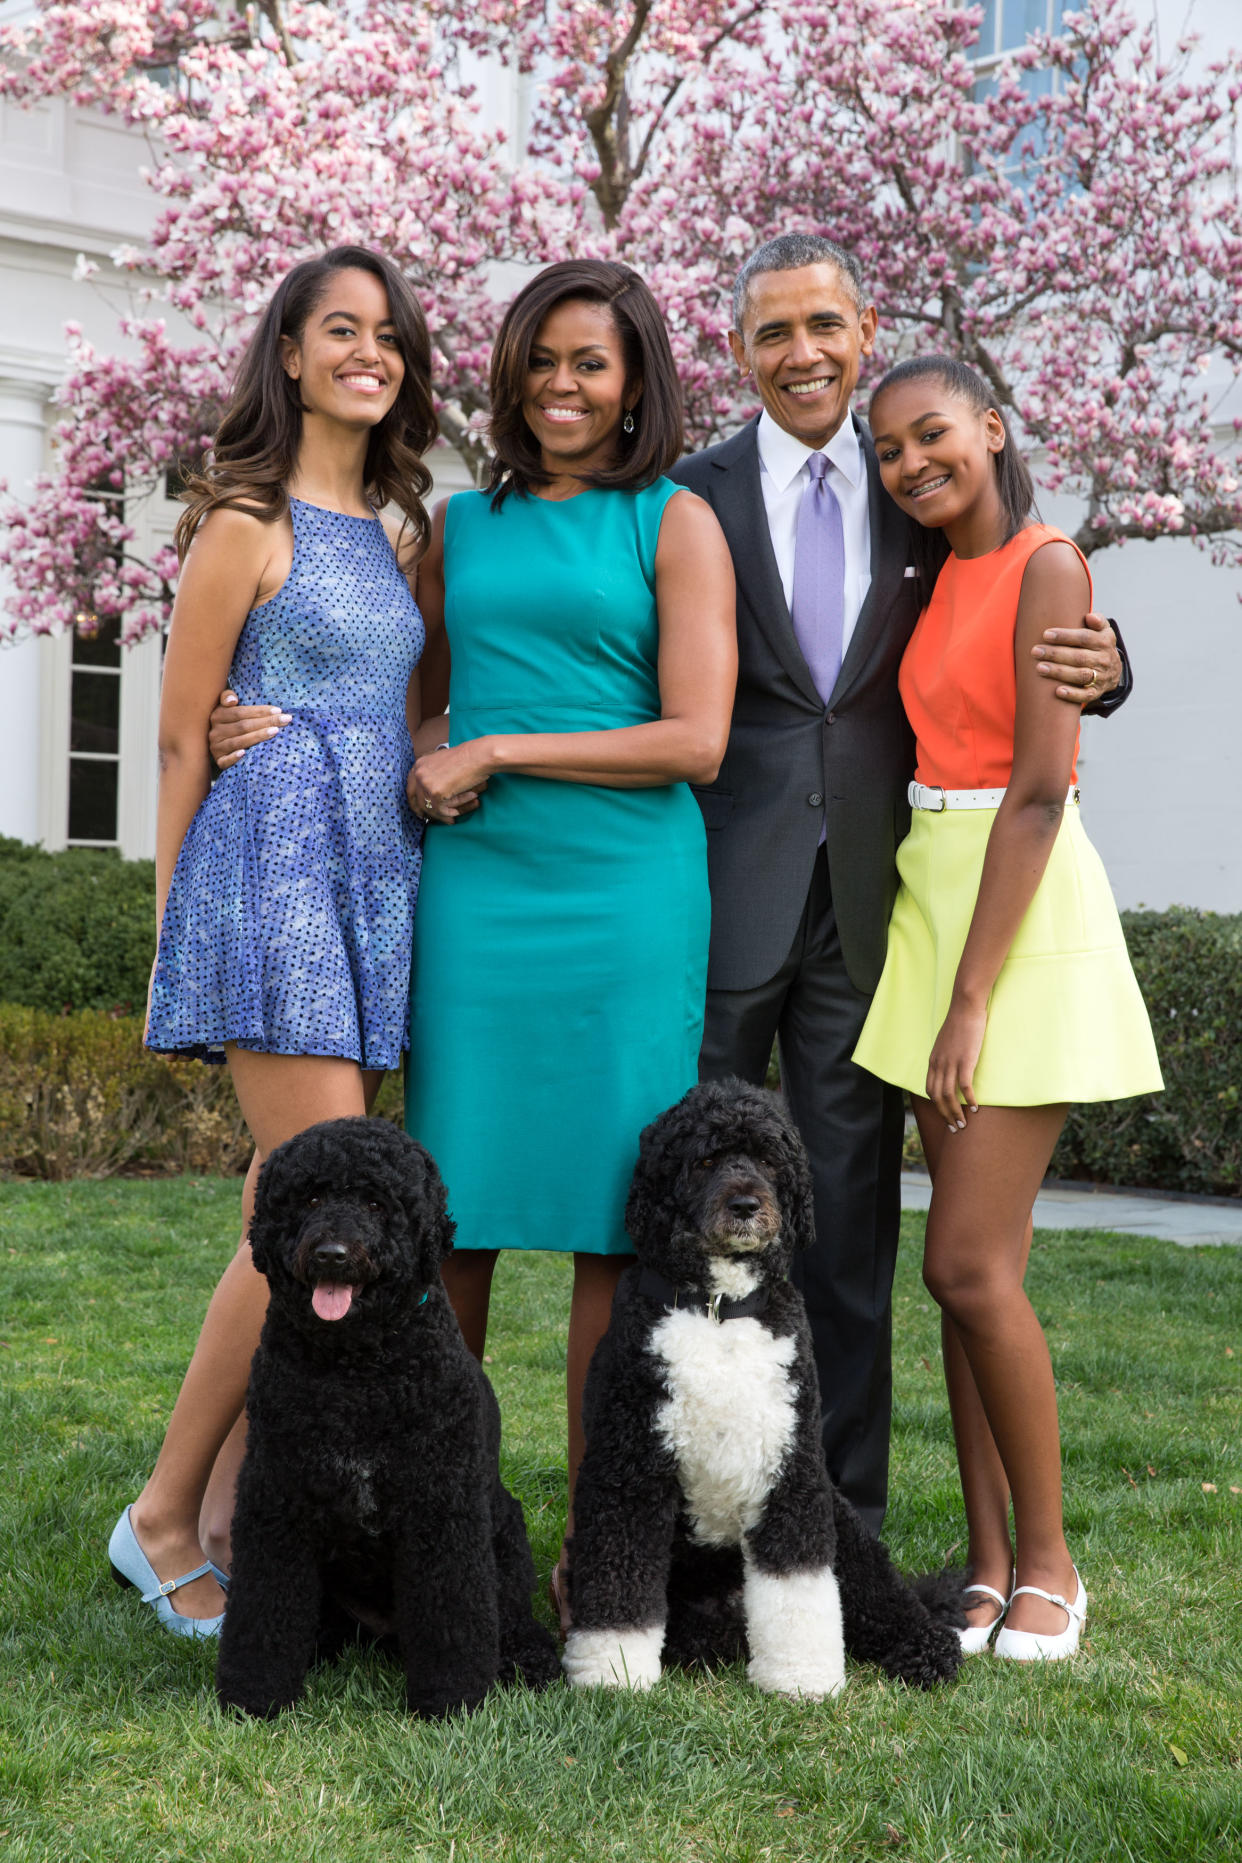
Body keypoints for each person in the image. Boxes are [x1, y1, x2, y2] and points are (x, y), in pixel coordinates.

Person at [668, 234, 1129, 1532]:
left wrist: (1107, 660)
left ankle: (841, 1526)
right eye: (770, 333)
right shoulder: (689, 495)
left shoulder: (912, 479)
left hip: (881, 918)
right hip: (720, 896)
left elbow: (1023, 604)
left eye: (821, 325)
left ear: (863, 331)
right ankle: (692, 1511)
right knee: (682, 1219)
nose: (799, 353)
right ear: (739, 351)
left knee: (852, 1236)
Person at [109, 246, 437, 1634]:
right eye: (338, 330)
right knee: (300, 1197)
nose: (368, 352)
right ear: (290, 355)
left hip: (377, 871)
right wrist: (177, 921)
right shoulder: (242, 520)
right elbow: (184, 732)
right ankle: (165, 1516)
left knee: (285, 1199)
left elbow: (403, 708)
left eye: (388, 335)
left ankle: (234, 1511)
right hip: (270, 870)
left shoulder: (405, 528)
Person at [404, 260, 736, 1623]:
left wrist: (500, 746)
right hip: (480, 898)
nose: (559, 384)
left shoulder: (676, 522)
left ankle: (598, 1565)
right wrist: (429, 752)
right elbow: (412, 707)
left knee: (615, 1228)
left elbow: (696, 741)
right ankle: (440, 1552)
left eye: (588, 362)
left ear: (635, 380)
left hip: (622, 897)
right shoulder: (457, 525)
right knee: (448, 1218)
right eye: (539, 359)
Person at [853, 355, 1161, 1657]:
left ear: (991, 427)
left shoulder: (1047, 561)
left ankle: (1048, 1564)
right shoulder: (927, 572)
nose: (912, 464)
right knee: (971, 1277)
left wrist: (968, 1001)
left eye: (933, 437)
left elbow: (1037, 791)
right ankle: (982, 1565)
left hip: (1012, 910)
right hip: (928, 892)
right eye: (887, 452)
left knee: (963, 1263)